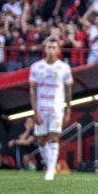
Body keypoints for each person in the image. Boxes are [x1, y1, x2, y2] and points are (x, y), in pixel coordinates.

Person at [29, 38, 73, 181]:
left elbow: (68, 90)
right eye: (49, 47)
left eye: (54, 47)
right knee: (41, 140)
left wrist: (68, 110)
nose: (51, 50)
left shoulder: (64, 68)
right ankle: (49, 164)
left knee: (54, 137)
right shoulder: (36, 67)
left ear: (58, 50)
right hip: (41, 107)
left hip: (57, 108)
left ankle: (50, 171)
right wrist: (35, 111)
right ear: (44, 48)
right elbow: (32, 90)